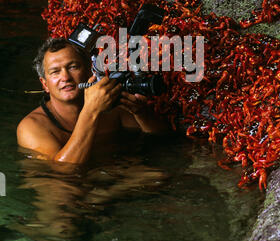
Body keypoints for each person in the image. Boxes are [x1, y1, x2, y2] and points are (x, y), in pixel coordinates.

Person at [17, 38, 171, 164]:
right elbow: (63, 171)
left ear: (89, 71)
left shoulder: (111, 106)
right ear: (45, 84)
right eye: (55, 72)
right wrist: (91, 110)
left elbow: (162, 140)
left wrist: (140, 112)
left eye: (73, 67)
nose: (65, 77)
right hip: (70, 193)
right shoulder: (31, 127)